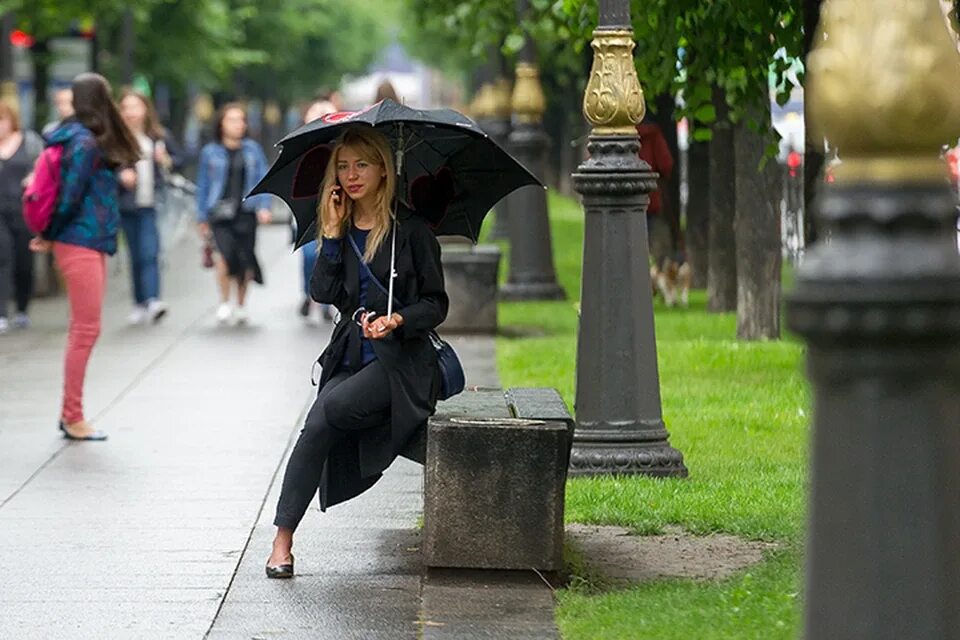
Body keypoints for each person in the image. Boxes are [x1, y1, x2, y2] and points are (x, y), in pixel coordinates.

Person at [266, 126, 448, 578]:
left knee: (330, 410)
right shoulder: (340, 228)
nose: (351, 175)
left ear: (384, 170)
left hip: (404, 361)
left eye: (362, 164)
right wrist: (328, 235)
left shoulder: (413, 232)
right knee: (315, 426)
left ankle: (384, 429)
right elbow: (323, 293)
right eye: (343, 166)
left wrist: (398, 319)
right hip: (354, 355)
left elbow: (436, 304)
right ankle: (281, 541)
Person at [34, 72, 140, 440]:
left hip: (86, 240)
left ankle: (72, 412)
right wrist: (48, 233)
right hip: (78, 239)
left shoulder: (86, 139)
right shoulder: (83, 143)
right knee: (84, 329)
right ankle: (72, 415)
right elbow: (70, 194)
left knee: (85, 329)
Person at [195, 103, 272, 325]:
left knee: (245, 258)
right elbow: (204, 184)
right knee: (224, 257)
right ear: (221, 123)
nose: (238, 124)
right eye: (232, 120)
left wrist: (264, 206)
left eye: (241, 120)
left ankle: (241, 305)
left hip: (246, 211)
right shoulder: (210, 152)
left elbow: (262, 178)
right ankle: (224, 301)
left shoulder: (252, 149)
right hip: (219, 213)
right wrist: (201, 216)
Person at [118, 89, 183, 325]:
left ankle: (153, 299)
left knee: (150, 252)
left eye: (136, 107)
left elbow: (179, 160)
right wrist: (120, 176)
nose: (132, 113)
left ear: (146, 109)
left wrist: (165, 160)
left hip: (153, 203)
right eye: (127, 108)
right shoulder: (117, 139)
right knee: (135, 255)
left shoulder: (157, 136)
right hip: (127, 205)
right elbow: (106, 167)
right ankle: (139, 302)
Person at [0, 100, 44, 333]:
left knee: (23, 262)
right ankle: (1, 313)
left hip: (23, 209)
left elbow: (44, 165)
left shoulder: (30, 141)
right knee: (3, 256)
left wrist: (34, 178)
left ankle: (22, 309)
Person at [297, 99, 338, 323]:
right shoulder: (301, 146)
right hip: (309, 209)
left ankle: (325, 302)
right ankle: (307, 293)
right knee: (309, 254)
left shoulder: (340, 146)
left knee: (329, 252)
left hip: (333, 208)